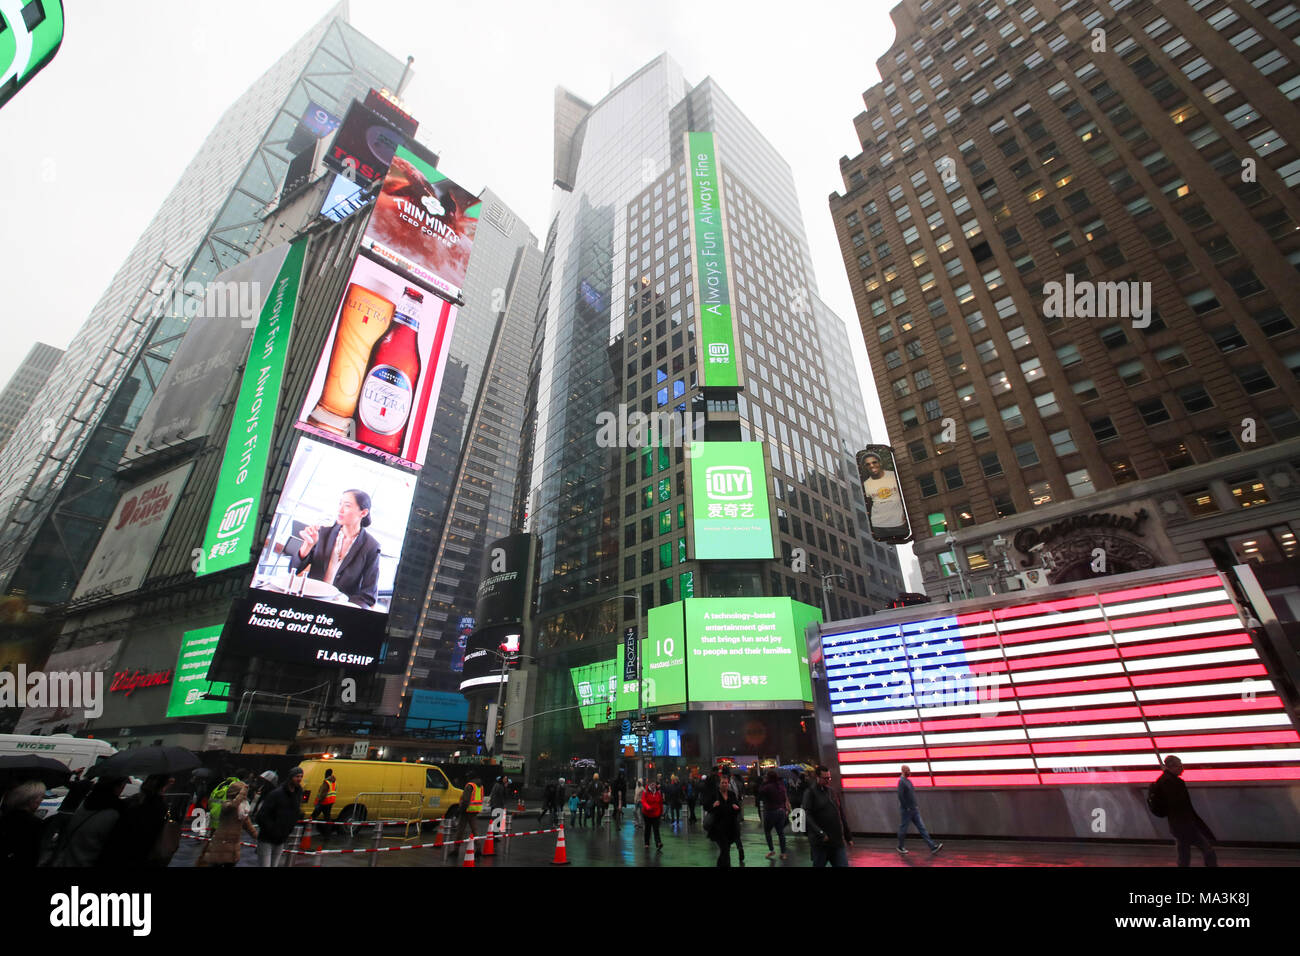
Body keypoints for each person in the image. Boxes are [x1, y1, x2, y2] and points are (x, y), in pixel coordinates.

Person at [287, 489, 382, 607]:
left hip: (340, 608)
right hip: (310, 599)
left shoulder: (371, 546)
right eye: (340, 504)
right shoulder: (323, 533)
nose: (340, 510)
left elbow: (368, 595)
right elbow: (293, 570)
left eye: (347, 506)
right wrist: (307, 545)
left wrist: (342, 605)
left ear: (363, 513)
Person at [1149, 755, 1217, 867]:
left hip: (1178, 824)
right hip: (1184, 824)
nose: (1182, 768)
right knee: (1207, 850)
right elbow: (1178, 805)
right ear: (1172, 767)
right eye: (1179, 766)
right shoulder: (1170, 782)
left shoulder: (1167, 780)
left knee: (1184, 853)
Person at [101, 773, 177, 868]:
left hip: (116, 852)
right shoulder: (158, 807)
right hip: (139, 854)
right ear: (162, 786)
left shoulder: (132, 801)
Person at [49, 775, 128, 867]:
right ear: (117, 787)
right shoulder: (113, 814)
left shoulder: (84, 804)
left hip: (65, 860)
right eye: (122, 786)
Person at [197, 780, 257, 867]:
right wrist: (242, 792)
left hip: (233, 848)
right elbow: (233, 806)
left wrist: (256, 836)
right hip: (221, 844)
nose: (245, 796)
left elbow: (248, 825)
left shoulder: (243, 809)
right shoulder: (226, 804)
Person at [802, 766, 853, 868]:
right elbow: (808, 815)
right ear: (817, 777)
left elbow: (840, 814)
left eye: (829, 778)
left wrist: (848, 836)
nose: (827, 780)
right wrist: (820, 833)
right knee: (819, 864)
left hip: (837, 840)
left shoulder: (832, 792)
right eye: (825, 778)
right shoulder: (810, 793)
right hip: (821, 842)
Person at [254, 766, 303, 868]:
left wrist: (288, 829)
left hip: (281, 838)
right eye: (297, 776)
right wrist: (272, 829)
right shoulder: (276, 794)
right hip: (267, 838)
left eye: (301, 776)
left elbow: (295, 813)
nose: (299, 779)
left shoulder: (298, 793)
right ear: (290, 777)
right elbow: (261, 816)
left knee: (274, 864)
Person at [0, 780, 48, 867]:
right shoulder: (35, 823)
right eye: (41, 797)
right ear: (32, 800)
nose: (42, 800)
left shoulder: (6, 816)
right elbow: (32, 853)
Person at [896, 765, 941, 855]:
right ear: (903, 771)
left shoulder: (908, 781)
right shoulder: (901, 782)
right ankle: (900, 846)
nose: (909, 772)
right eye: (907, 770)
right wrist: (906, 807)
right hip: (907, 810)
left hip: (914, 809)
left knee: (922, 828)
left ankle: (932, 847)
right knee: (903, 829)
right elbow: (900, 796)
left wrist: (914, 805)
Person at [704, 767, 744, 867]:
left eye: (726, 783)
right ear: (719, 784)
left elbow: (737, 808)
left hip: (730, 828)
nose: (725, 785)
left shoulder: (731, 795)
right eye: (723, 783)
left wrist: (736, 808)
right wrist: (713, 806)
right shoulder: (715, 795)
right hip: (718, 828)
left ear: (728, 783)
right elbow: (707, 806)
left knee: (726, 851)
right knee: (725, 849)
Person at [860, 452, 905, 531]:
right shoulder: (866, 485)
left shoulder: (893, 476)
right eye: (868, 464)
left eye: (874, 462)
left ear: (880, 463)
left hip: (900, 522)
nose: (871, 466)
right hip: (878, 525)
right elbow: (869, 505)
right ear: (865, 467)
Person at [758, 770, 791, 860]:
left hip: (770, 811)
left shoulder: (767, 787)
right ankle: (783, 853)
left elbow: (760, 793)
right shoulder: (781, 786)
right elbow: (785, 798)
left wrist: (763, 783)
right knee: (781, 833)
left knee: (768, 831)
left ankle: (771, 850)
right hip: (781, 811)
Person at [451, 776, 481, 856]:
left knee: (460, 829)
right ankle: (478, 848)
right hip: (474, 810)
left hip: (466, 810)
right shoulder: (479, 785)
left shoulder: (469, 785)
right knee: (475, 830)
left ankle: (456, 849)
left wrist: (459, 811)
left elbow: (465, 800)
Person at [641, 779, 665, 851]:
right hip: (647, 814)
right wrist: (648, 807)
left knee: (656, 829)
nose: (653, 785)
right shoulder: (645, 792)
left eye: (654, 784)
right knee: (647, 829)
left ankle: (658, 843)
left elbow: (660, 803)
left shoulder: (658, 793)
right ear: (648, 784)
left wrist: (661, 812)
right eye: (651, 784)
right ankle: (647, 843)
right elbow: (643, 801)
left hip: (656, 814)